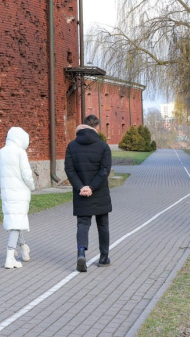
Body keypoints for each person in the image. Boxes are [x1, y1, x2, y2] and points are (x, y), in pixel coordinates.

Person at [64, 114, 112, 272]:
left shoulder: (72, 146)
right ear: (97, 127)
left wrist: (81, 187)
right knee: (102, 225)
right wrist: (92, 187)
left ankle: (81, 253)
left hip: (81, 193)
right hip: (99, 192)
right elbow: (104, 170)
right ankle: (104, 257)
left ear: (83, 125)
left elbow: (69, 170)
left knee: (83, 224)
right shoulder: (103, 147)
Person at [0, 126, 36, 269]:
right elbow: (27, 174)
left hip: (7, 192)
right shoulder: (20, 152)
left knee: (15, 222)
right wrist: (32, 186)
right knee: (16, 224)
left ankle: (24, 248)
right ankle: (10, 257)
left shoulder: (1, 152)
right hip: (20, 192)